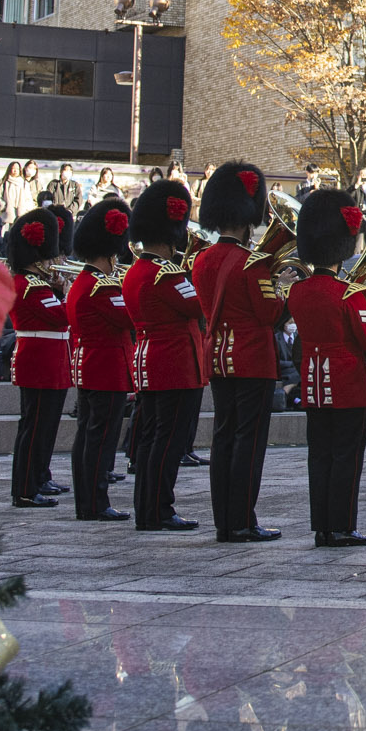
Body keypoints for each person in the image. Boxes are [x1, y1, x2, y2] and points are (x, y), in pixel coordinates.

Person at [286, 188, 366, 548]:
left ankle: (322, 527)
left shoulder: (297, 291)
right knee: (346, 458)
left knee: (320, 457)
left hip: (312, 383)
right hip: (346, 384)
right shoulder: (349, 293)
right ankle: (342, 526)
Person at [193, 161, 286, 543]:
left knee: (224, 437)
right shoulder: (253, 263)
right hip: (251, 357)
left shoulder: (201, 260)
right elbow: (270, 314)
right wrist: (286, 290)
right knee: (249, 442)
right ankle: (243, 519)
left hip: (217, 357)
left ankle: (224, 521)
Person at [121, 178, 205, 533]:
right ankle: (159, 509)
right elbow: (199, 306)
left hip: (150, 359)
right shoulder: (165, 275)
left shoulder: (139, 271)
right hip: (174, 363)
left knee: (154, 439)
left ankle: (148, 509)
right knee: (167, 442)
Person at [63, 197, 138, 522]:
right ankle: (95, 502)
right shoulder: (101, 289)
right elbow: (131, 317)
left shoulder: (86, 284)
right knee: (100, 439)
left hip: (92, 367)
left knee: (89, 437)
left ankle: (88, 501)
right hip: (105, 369)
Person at [3, 203, 73, 508]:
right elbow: (62, 316)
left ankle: (33, 481)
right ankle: (25, 490)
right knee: (34, 429)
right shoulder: (30, 287)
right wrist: (68, 291)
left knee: (41, 427)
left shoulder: (36, 285)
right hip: (38, 362)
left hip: (48, 361)